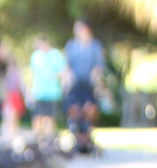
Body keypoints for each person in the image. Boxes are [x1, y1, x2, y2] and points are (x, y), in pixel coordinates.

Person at [63, 19, 105, 153]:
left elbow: (98, 66)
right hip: (75, 85)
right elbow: (67, 66)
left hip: (89, 86)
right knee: (74, 110)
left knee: (89, 110)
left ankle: (87, 138)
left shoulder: (95, 46)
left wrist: (96, 79)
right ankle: (76, 137)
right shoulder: (71, 46)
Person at [27, 34, 65, 140]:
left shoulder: (56, 55)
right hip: (38, 92)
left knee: (50, 118)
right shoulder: (36, 56)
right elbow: (31, 74)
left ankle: (49, 140)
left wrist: (53, 76)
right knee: (37, 117)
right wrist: (28, 91)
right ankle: (38, 139)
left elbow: (63, 72)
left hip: (52, 93)